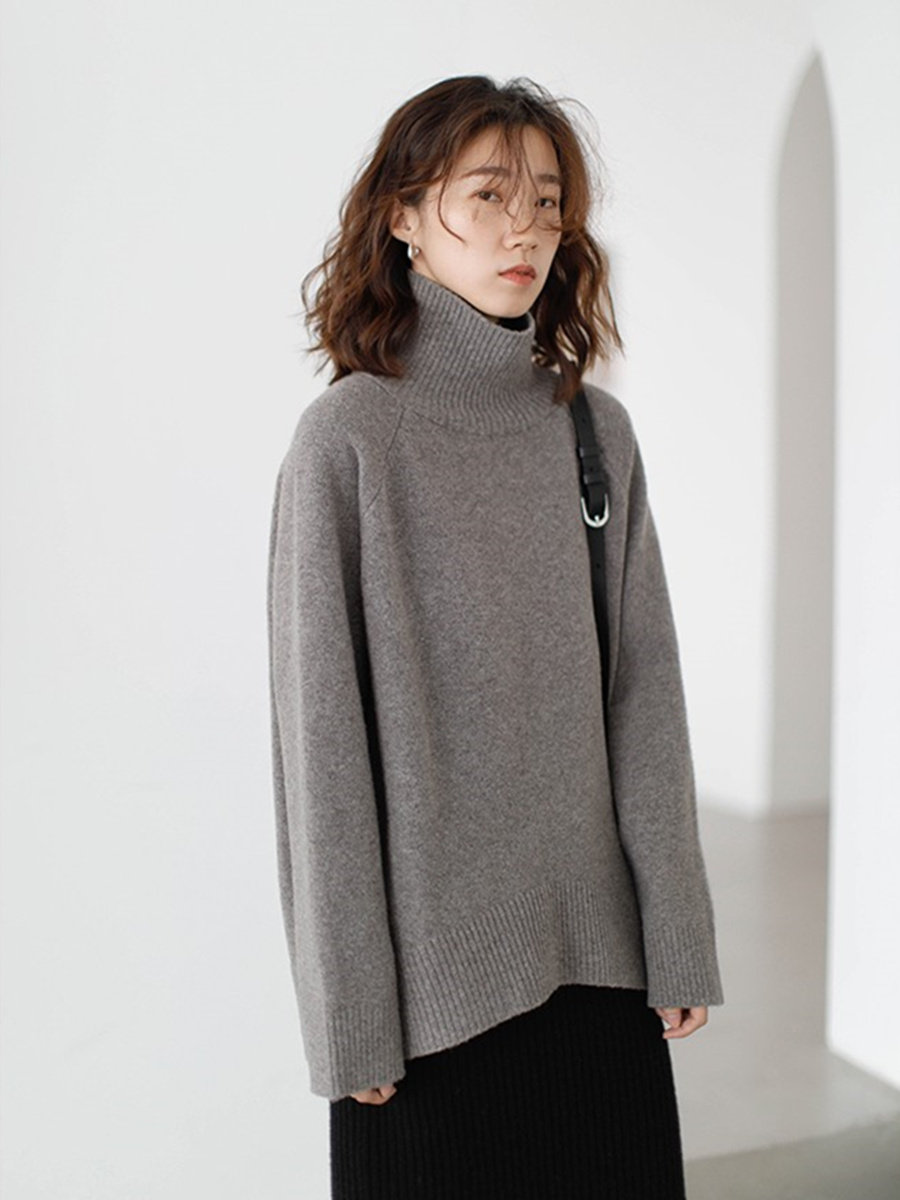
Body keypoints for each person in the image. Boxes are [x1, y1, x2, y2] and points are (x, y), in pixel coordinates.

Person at [267, 74, 725, 1199]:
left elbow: (644, 697)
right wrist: (350, 1017)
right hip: (431, 1011)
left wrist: (676, 931)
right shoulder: (347, 443)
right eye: (488, 194)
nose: (525, 228)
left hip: (603, 980)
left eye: (548, 201)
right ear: (405, 217)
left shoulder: (592, 431)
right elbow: (323, 755)